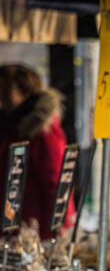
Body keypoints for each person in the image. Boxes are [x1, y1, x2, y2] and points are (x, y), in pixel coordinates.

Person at [0, 64, 72, 239]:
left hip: (31, 234)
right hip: (12, 231)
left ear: (21, 90)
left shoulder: (41, 130)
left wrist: (51, 237)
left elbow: (55, 182)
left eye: (4, 89)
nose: (1, 97)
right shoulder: (12, 126)